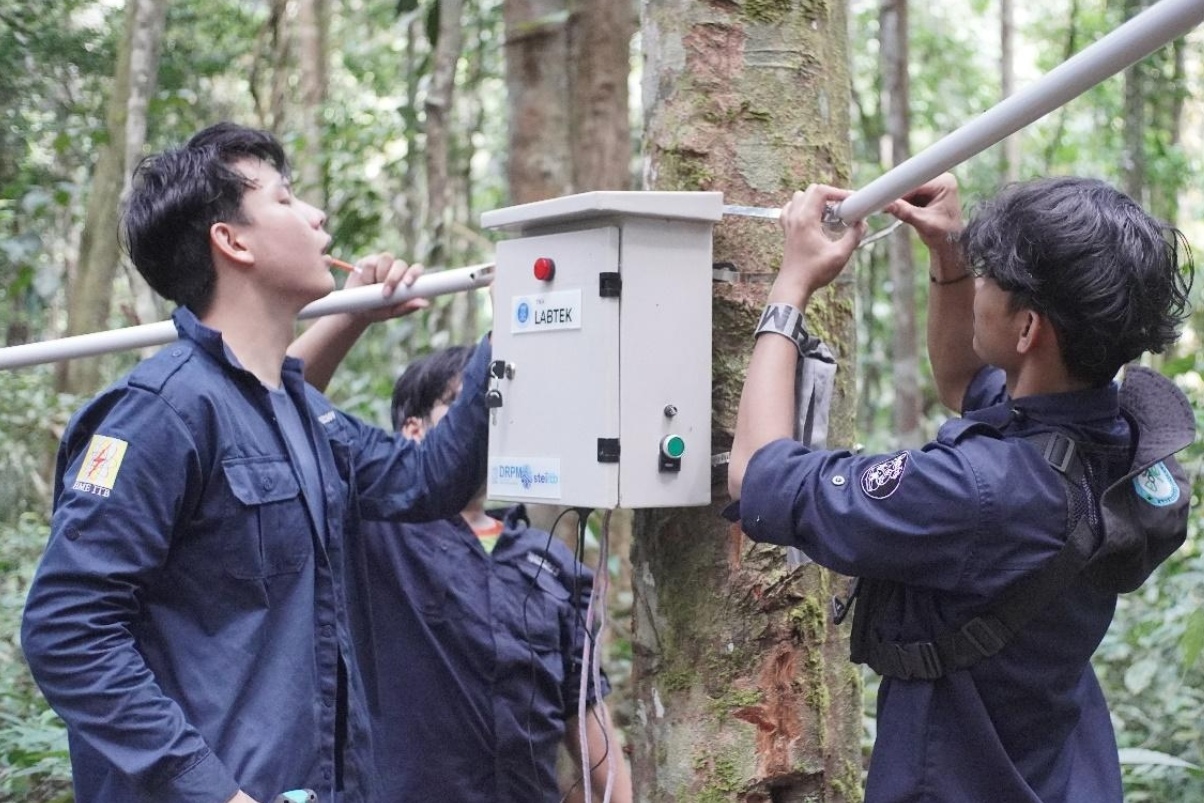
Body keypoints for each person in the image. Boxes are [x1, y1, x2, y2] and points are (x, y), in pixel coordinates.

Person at [20, 122, 492, 803]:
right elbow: (66, 628)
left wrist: (516, 330)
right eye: (286, 199)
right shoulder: (161, 411)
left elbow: (427, 480)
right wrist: (215, 791)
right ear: (232, 240)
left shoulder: (300, 411)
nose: (316, 215)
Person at [726, 174, 1194, 802]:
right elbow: (962, 381)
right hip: (1058, 778)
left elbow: (755, 472)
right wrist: (951, 255)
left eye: (987, 276)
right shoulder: (1116, 434)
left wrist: (792, 285)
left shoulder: (972, 494)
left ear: (1027, 329)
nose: (978, 284)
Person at [287, 329, 634, 802]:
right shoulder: (373, 532)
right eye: (467, 403)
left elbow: (590, 728)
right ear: (414, 431)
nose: (487, 420)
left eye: (497, 404)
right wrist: (356, 315)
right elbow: (275, 399)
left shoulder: (550, 561)